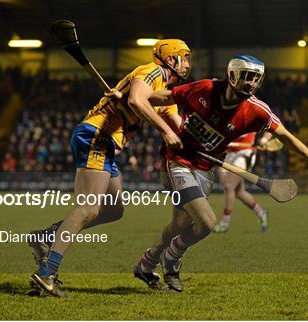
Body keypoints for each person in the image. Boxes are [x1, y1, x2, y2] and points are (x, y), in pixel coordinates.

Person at [132, 54, 308, 292]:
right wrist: (137, 98)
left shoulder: (256, 110)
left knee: (180, 223)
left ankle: (146, 264)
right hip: (177, 161)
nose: (251, 83)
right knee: (207, 222)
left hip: (205, 168)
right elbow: (166, 97)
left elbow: (285, 136)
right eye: (247, 76)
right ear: (232, 74)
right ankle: (172, 259)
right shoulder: (205, 88)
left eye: (256, 78)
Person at [29, 39, 191, 297]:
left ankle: (47, 237)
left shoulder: (168, 94)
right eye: (184, 57)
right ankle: (47, 273)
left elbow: (177, 125)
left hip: (106, 143)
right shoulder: (151, 71)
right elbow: (139, 101)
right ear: (171, 59)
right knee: (88, 208)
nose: (187, 64)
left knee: (114, 210)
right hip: (96, 134)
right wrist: (162, 129)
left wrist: (199, 141)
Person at [213, 131, 272, 233]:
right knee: (239, 192)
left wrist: (264, 140)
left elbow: (271, 126)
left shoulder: (253, 115)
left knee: (228, 186)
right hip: (226, 153)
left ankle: (225, 223)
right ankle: (261, 213)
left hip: (244, 153)